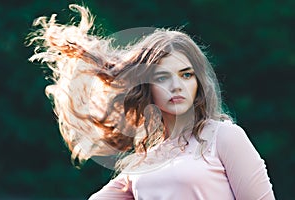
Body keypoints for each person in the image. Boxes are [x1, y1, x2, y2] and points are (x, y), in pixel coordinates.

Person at [27, 4, 275, 200]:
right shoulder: (142, 162)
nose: (176, 85)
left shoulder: (225, 137)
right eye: (162, 77)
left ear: (198, 82)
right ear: (145, 87)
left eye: (186, 74)